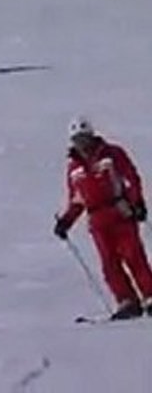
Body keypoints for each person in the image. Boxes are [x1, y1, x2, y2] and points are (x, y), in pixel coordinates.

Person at [54, 117, 152, 319]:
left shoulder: (112, 154)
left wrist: (137, 203)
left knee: (133, 255)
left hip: (120, 212)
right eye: (77, 139)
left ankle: (150, 295)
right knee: (109, 263)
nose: (81, 143)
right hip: (97, 220)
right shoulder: (74, 168)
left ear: (91, 136)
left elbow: (130, 178)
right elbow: (77, 199)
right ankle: (127, 301)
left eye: (84, 138)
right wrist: (66, 222)